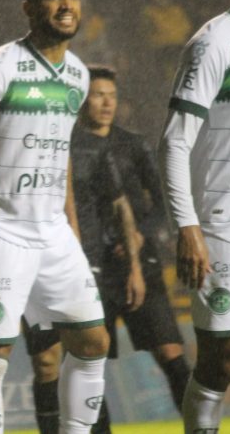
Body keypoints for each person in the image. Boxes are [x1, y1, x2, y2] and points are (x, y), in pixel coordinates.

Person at [0, 0, 109, 434]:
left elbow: (60, 158)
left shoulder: (78, 76)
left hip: (53, 232)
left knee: (93, 341)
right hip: (0, 227)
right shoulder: (0, 66)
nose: (66, 5)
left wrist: (71, 227)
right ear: (28, 8)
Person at [27, 65, 190, 434]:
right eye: (98, 95)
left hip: (139, 265)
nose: (105, 103)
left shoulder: (133, 145)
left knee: (171, 353)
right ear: (82, 100)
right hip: (92, 268)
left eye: (111, 96)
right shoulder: (68, 145)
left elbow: (162, 201)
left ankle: (199, 427)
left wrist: (141, 236)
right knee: (90, 361)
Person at [160, 0, 230, 433]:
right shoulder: (214, 43)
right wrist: (188, 227)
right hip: (224, 228)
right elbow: (174, 142)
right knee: (222, 363)